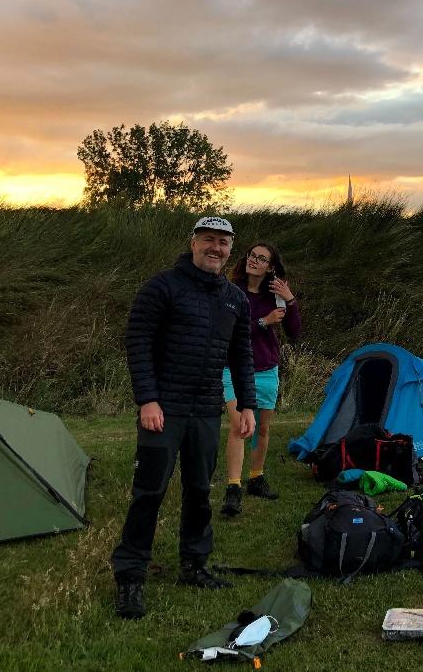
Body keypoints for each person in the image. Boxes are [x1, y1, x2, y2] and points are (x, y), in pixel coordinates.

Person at [110, 216, 257, 620]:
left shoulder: (235, 299)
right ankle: (130, 576)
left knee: (199, 490)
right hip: (164, 409)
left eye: (224, 243)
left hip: (206, 409)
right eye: (208, 240)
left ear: (231, 250)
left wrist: (246, 404)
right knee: (149, 492)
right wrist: (148, 400)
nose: (216, 248)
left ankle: (194, 565)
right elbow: (137, 343)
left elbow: (241, 355)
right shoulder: (161, 287)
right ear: (193, 243)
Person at [220, 241, 301, 516]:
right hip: (234, 369)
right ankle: (233, 488)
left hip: (266, 369)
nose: (253, 260)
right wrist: (264, 322)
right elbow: (230, 332)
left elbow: (294, 332)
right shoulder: (231, 292)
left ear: (271, 267)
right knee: (239, 426)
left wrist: (290, 299)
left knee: (263, 430)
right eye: (251, 255)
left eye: (261, 258)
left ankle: (256, 478)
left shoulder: (274, 296)